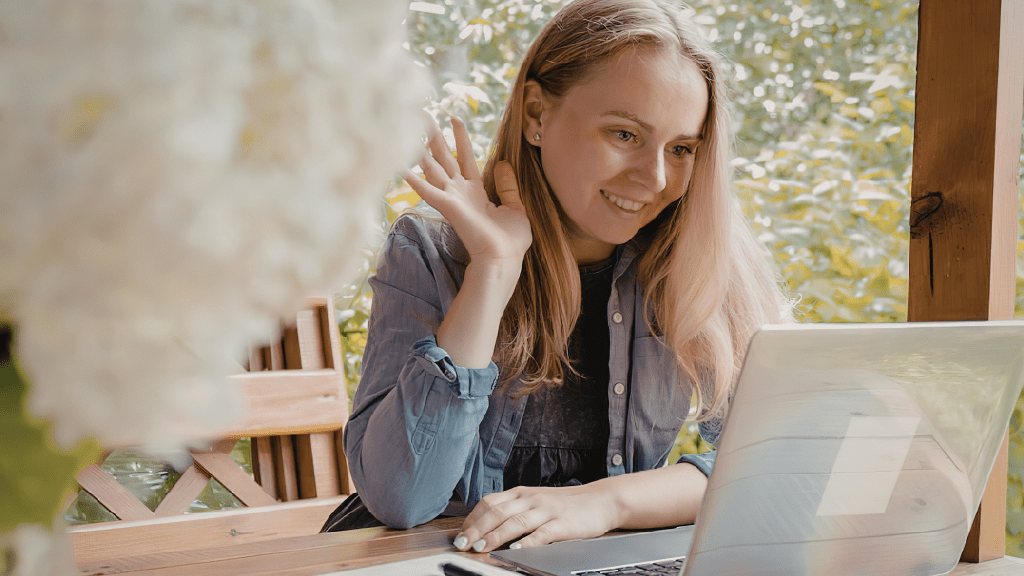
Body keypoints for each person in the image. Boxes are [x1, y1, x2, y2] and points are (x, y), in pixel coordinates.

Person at [322, 0, 791, 553]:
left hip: (593, 560)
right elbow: (403, 498)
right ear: (537, 115)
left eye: (682, 148)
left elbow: (780, 461)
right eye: (624, 135)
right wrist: (493, 272)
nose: (656, 177)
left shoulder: (699, 254)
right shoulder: (432, 249)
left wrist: (606, 503)